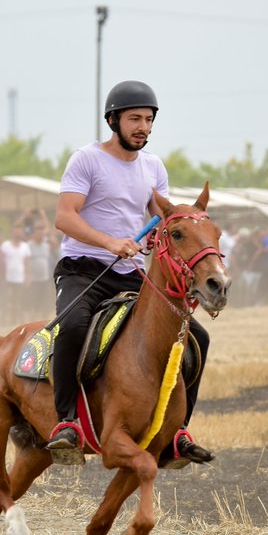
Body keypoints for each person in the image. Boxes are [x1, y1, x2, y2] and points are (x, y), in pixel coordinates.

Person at [43, 80, 212, 468]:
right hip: (83, 270)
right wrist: (110, 242)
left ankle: (178, 432)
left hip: (131, 273)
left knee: (196, 336)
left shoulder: (154, 167)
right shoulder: (86, 160)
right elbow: (64, 217)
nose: (143, 127)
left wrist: (159, 235)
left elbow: (161, 217)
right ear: (112, 120)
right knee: (72, 327)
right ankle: (66, 422)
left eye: (149, 120)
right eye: (135, 119)